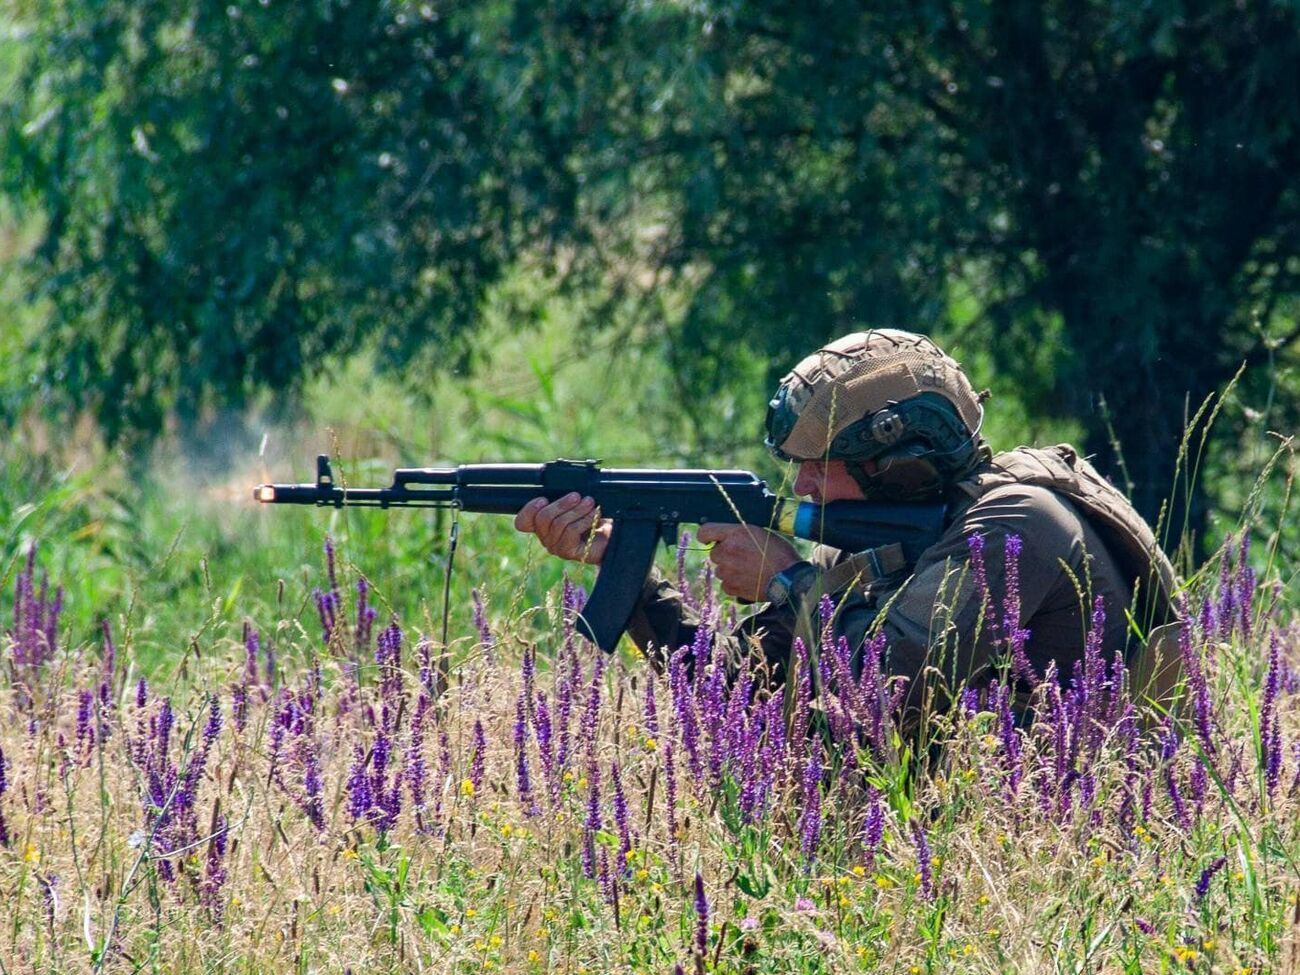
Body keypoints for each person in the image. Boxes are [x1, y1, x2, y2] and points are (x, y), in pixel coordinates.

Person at [514, 330, 1177, 715]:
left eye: (819, 464)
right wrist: (622, 568)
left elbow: (887, 679)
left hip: (1084, 847)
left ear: (900, 465)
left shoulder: (1016, 524)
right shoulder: (880, 544)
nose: (799, 484)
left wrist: (785, 577)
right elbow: (739, 697)